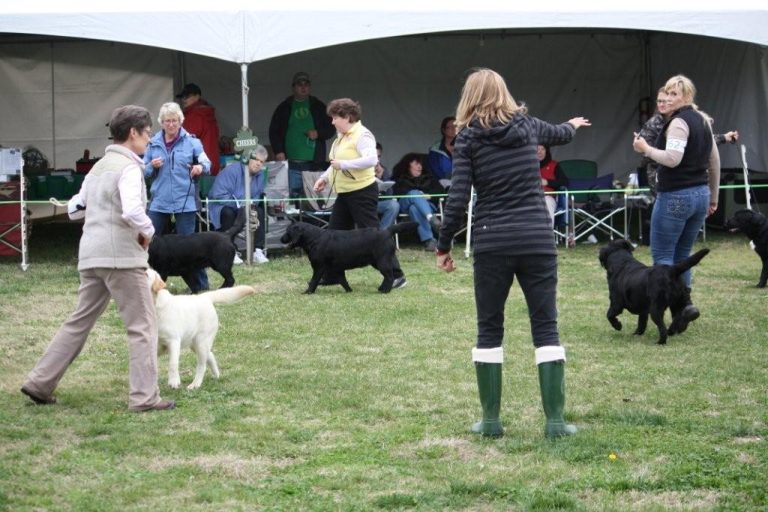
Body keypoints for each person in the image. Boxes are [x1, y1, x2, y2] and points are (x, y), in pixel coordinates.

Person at [435, 68, 591, 438]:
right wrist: (572, 124)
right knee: (546, 326)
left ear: (468, 98)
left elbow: (457, 198)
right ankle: (555, 423)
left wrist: (444, 244)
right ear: (504, 93)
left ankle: (490, 421)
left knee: (489, 327)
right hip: (536, 239)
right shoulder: (528, 125)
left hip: (492, 243)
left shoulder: (468, 138)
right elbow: (561, 133)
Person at [20, 105, 175, 412]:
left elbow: (76, 208)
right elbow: (132, 211)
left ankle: (40, 382)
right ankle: (144, 397)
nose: (148, 139)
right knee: (142, 326)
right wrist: (149, 231)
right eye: (146, 133)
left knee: (78, 322)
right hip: (122, 258)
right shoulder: (130, 168)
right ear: (133, 133)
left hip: (91, 254)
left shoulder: (99, 167)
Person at [632, 74, 720, 332]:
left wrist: (645, 148)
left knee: (663, 257)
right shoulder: (703, 120)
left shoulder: (679, 123)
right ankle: (684, 308)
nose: (668, 99)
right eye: (666, 93)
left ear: (686, 97)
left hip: (676, 196)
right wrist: (713, 196)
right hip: (700, 195)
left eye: (674, 94)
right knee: (682, 256)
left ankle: (680, 306)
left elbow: (672, 159)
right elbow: (714, 162)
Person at [313, 98, 407, 289]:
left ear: (347, 117)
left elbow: (371, 160)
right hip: (345, 193)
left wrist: (344, 165)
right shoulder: (341, 137)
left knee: (375, 236)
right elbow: (335, 164)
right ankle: (331, 275)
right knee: (334, 233)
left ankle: (397, 275)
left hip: (362, 193)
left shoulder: (363, 135)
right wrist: (324, 178)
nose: (332, 122)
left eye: (334, 118)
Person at [144, 102, 212, 292]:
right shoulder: (153, 143)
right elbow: (141, 171)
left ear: (180, 121)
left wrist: (200, 167)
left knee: (191, 248)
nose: (171, 125)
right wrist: (151, 166)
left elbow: (207, 163)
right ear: (161, 122)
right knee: (148, 243)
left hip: (185, 202)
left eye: (174, 121)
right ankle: (147, 284)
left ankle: (200, 286)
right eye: (167, 121)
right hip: (159, 202)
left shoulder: (193, 142)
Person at [269, 72, 335, 200]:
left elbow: (331, 128)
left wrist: (318, 133)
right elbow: (273, 131)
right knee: (293, 197)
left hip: (314, 164)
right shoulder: (284, 107)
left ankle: (310, 221)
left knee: (314, 197)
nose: (303, 87)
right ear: (293, 87)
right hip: (291, 163)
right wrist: (278, 151)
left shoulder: (318, 106)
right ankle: (295, 221)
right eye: (300, 84)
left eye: (306, 84)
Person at [208, 145, 269, 264]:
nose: (258, 164)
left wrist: (251, 204)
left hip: (244, 207)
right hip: (223, 205)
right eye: (256, 159)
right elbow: (218, 195)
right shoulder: (232, 170)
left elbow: (257, 195)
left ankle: (257, 250)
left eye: (261, 162)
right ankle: (231, 251)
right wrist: (238, 205)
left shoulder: (260, 175)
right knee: (228, 213)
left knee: (259, 211)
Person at [392, 152, 445, 251]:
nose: (420, 166)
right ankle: (431, 218)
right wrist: (417, 195)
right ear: (408, 165)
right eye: (416, 164)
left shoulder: (429, 178)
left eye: (421, 164)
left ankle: (429, 241)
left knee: (414, 208)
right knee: (414, 193)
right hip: (405, 205)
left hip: (427, 205)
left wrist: (428, 196)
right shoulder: (400, 178)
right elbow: (396, 193)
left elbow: (441, 191)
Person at [176, 83, 221, 175]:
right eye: (182, 97)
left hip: (198, 166)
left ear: (197, 96)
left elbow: (185, 142)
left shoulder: (194, 115)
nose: (184, 99)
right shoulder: (208, 113)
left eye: (187, 96)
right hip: (212, 163)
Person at [537, 145, 569, 225]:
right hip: (530, 199)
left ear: (546, 151)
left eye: (543, 149)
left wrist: (547, 182)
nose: (540, 152)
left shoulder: (553, 165)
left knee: (547, 201)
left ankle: (547, 235)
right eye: (537, 149)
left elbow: (564, 182)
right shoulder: (526, 165)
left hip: (548, 199)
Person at [375, 142, 399, 229]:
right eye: (374, 156)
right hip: (364, 204)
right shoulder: (360, 169)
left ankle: (381, 236)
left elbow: (389, 195)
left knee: (394, 205)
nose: (377, 160)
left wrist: (382, 177)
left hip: (378, 204)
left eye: (379, 156)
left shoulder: (383, 170)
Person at [427, 116, 456, 184]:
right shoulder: (436, 150)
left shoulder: (464, 147)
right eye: (450, 127)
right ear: (443, 130)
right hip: (442, 184)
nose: (454, 129)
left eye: (455, 126)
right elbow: (435, 171)